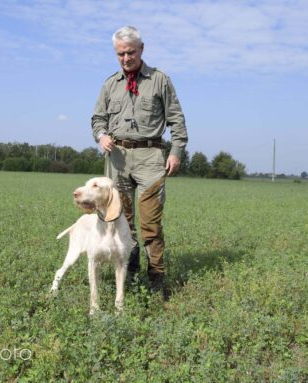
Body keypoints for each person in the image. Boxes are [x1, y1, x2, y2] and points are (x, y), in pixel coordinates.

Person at [91, 26, 188, 298]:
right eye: (120, 53)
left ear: (142, 49)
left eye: (130, 52)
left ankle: (156, 280)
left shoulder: (160, 80)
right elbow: (97, 119)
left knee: (151, 223)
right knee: (122, 221)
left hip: (150, 159)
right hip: (118, 160)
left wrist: (176, 151)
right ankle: (129, 276)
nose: (125, 58)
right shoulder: (110, 84)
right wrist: (101, 136)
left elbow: (177, 120)